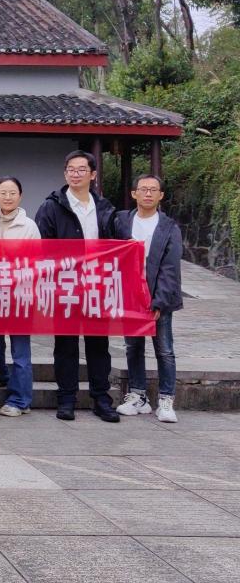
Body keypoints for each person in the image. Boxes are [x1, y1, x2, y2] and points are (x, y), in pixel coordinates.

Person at [35, 150, 120, 422]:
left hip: (97, 285)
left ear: (93, 174)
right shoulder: (51, 207)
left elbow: (117, 246)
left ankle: (101, 399)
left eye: (82, 169)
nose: (75, 174)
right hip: (66, 285)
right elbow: (42, 248)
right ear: (65, 174)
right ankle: (66, 399)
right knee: (65, 345)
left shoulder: (105, 208)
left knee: (99, 345)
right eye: (71, 169)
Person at [114, 174, 183, 423]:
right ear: (134, 193)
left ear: (161, 195)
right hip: (130, 296)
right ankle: (138, 395)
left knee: (164, 350)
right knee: (133, 347)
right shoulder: (122, 221)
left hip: (157, 298)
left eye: (153, 190)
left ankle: (166, 399)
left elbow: (170, 268)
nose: (148, 194)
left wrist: (159, 301)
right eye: (143, 189)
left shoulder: (169, 227)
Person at [0, 176, 40, 417]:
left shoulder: (29, 226)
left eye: (12, 193)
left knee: (20, 350)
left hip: (21, 294)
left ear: (20, 196)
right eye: (3, 192)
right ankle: (0, 376)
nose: (7, 197)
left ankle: (21, 399)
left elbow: (37, 262)